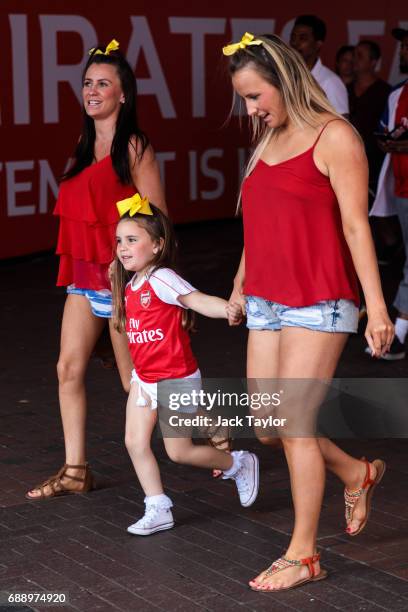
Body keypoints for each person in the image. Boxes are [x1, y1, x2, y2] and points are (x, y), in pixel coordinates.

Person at [222, 32, 393, 591]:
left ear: (285, 80)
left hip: (321, 300)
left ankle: (304, 554)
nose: (251, 109)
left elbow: (354, 226)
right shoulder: (266, 138)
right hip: (267, 298)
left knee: (293, 423)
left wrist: (375, 308)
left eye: (255, 96)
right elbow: (261, 221)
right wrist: (243, 281)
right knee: (269, 427)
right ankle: (354, 470)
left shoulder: (335, 136)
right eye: (245, 99)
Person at [26, 40, 167, 500]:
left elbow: (158, 219)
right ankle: (75, 469)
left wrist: (138, 278)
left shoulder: (134, 145)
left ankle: (204, 431)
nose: (92, 91)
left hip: (122, 281)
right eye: (88, 83)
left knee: (134, 382)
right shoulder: (84, 144)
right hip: (83, 278)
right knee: (68, 368)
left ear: (123, 94)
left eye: (103, 84)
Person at [111, 195, 259, 535]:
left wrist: (227, 309)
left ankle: (237, 464)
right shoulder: (131, 284)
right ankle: (158, 506)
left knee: (178, 452)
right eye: (119, 240)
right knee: (134, 442)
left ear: (157, 245)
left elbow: (195, 299)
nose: (123, 247)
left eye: (132, 239)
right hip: (145, 379)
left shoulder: (162, 278)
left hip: (175, 379)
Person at [370, 28, 408, 359]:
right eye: (403, 45)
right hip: (402, 188)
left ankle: (400, 332)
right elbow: (384, 133)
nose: (403, 51)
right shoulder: (397, 93)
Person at [348, 41, 391, 199]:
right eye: (353, 55)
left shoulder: (386, 93)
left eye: (359, 56)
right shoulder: (344, 89)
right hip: (346, 164)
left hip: (375, 168)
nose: (354, 59)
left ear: (373, 62)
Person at [290, 15, 349, 115]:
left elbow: (342, 123)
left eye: (302, 38)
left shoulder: (330, 82)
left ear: (318, 44)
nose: (295, 43)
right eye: (293, 37)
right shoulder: (285, 75)